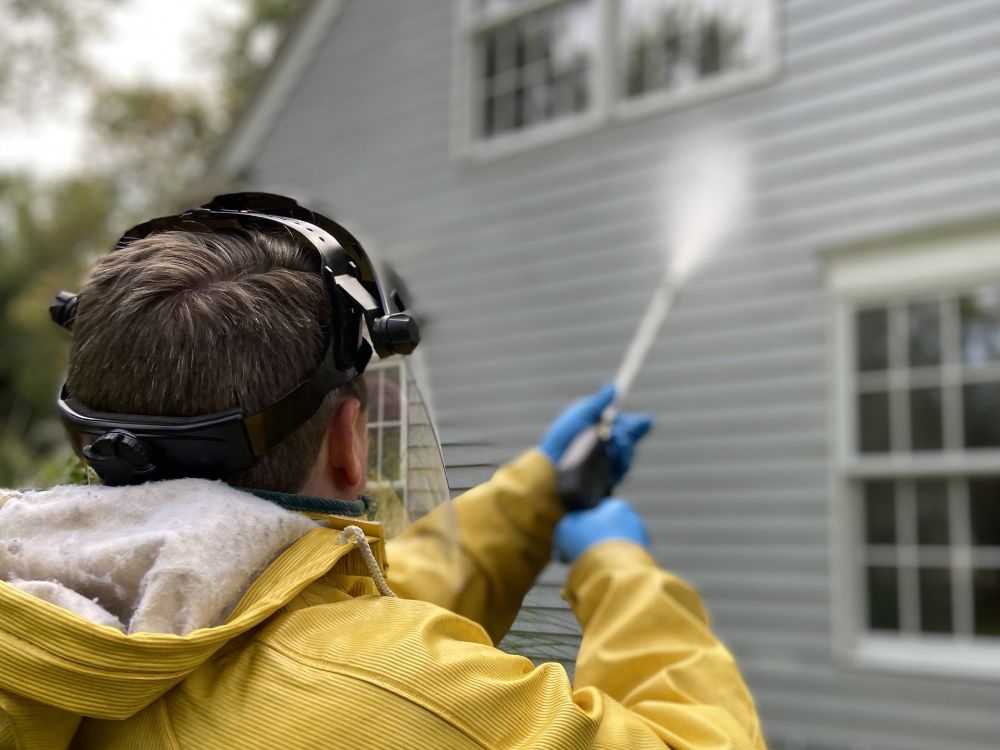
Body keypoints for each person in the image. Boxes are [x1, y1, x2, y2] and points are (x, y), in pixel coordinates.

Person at [0, 193, 766, 749]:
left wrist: (538, 493)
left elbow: (317, 623)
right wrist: (618, 568)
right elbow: (368, 672)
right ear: (348, 439)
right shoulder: (411, 711)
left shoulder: (58, 623)